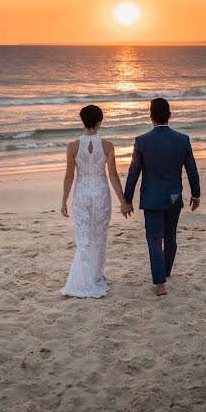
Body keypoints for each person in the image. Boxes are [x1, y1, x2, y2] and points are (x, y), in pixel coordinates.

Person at [123, 98, 201, 296]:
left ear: (151, 117)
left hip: (151, 197)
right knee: (170, 236)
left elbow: (134, 172)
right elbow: (191, 168)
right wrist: (196, 194)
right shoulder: (182, 139)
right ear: (170, 115)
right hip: (174, 196)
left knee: (154, 239)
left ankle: (160, 284)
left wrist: (127, 199)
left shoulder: (142, 141)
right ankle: (165, 272)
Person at [60, 104, 132, 298]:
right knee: (99, 237)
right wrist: (123, 201)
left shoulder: (72, 146)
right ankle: (96, 277)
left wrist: (63, 201)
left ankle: (85, 280)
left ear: (83, 121)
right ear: (99, 122)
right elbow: (113, 175)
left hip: (82, 194)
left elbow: (69, 177)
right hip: (100, 194)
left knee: (83, 238)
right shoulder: (107, 145)